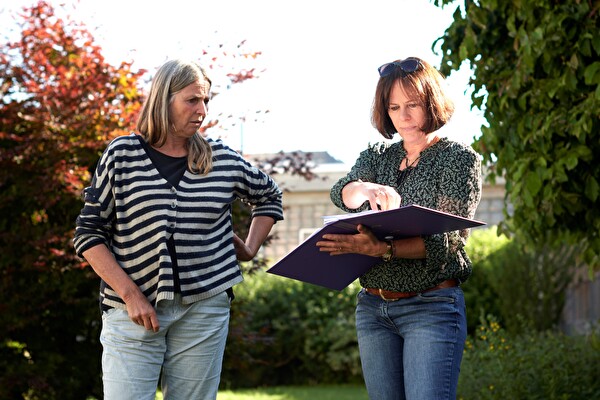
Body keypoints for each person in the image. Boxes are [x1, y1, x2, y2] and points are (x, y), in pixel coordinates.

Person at [73, 59, 283, 400]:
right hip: (131, 311)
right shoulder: (122, 155)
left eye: (206, 101)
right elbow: (88, 233)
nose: (202, 110)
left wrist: (249, 246)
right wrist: (130, 296)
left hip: (204, 307)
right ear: (163, 99)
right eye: (192, 100)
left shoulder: (221, 159)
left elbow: (269, 196)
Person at [316, 57, 482, 400]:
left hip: (431, 306)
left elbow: (446, 243)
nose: (403, 116)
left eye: (413, 105)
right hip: (373, 309)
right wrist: (364, 190)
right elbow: (341, 191)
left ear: (432, 103)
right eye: (394, 107)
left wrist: (382, 250)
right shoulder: (378, 156)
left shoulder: (457, 159)